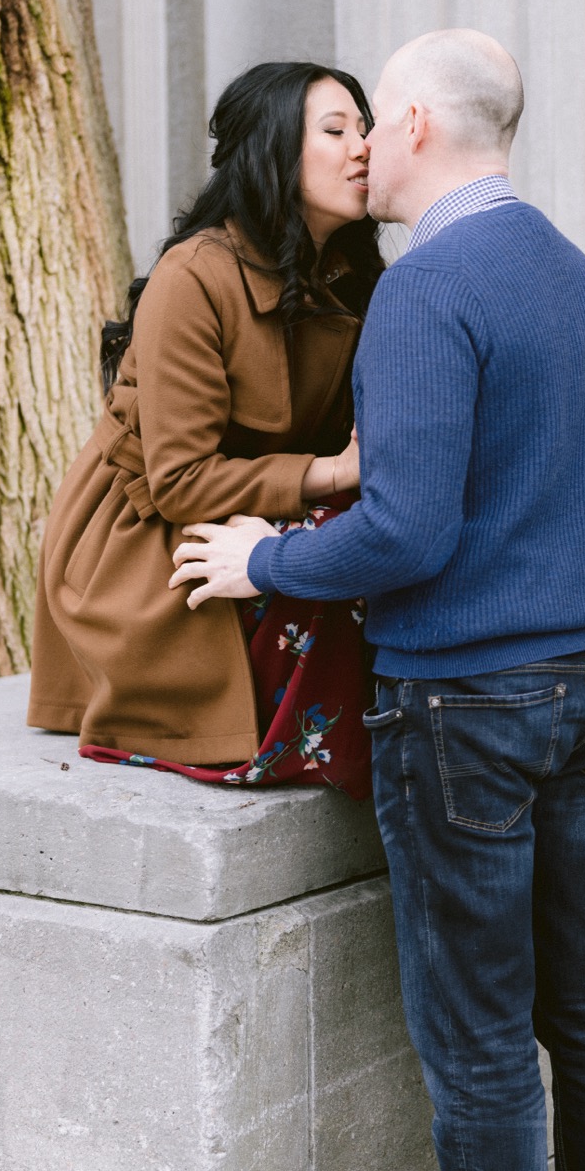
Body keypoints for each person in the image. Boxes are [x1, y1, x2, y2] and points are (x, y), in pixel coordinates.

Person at [172, 29, 585, 1171]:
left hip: (466, 707)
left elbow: (405, 527)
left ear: (427, 122)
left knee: (484, 1039)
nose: (364, 144)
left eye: (376, 119)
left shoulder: (431, 286)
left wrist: (265, 561)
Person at [27, 62, 383, 795]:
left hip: (259, 510)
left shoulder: (350, 275)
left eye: (367, 127)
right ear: (272, 151)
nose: (364, 147)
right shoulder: (194, 276)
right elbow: (179, 480)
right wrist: (335, 473)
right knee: (331, 566)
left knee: (388, 541)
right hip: (146, 534)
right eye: (336, 130)